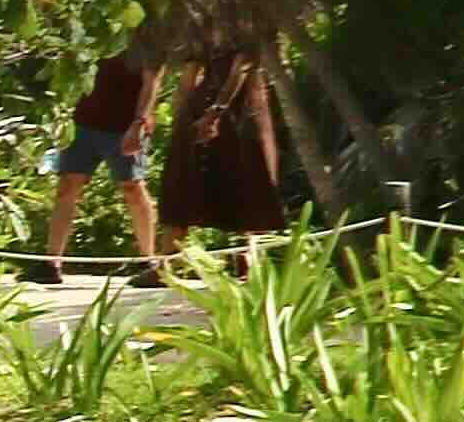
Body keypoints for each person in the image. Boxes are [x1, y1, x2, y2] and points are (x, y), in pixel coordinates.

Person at [157, 40, 292, 251]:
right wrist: (181, 116)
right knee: (180, 183)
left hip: (242, 112)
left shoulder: (246, 24)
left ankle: (250, 264)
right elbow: (189, 76)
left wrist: (215, 113)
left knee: (248, 186)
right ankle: (166, 262)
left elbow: (240, 70)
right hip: (201, 107)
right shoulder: (203, 26)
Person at [45, 47, 170, 272]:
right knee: (67, 185)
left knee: (132, 187)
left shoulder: (150, 37)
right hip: (84, 120)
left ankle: (148, 260)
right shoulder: (97, 27)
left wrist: (139, 123)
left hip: (125, 125)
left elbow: (152, 82)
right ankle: (52, 261)